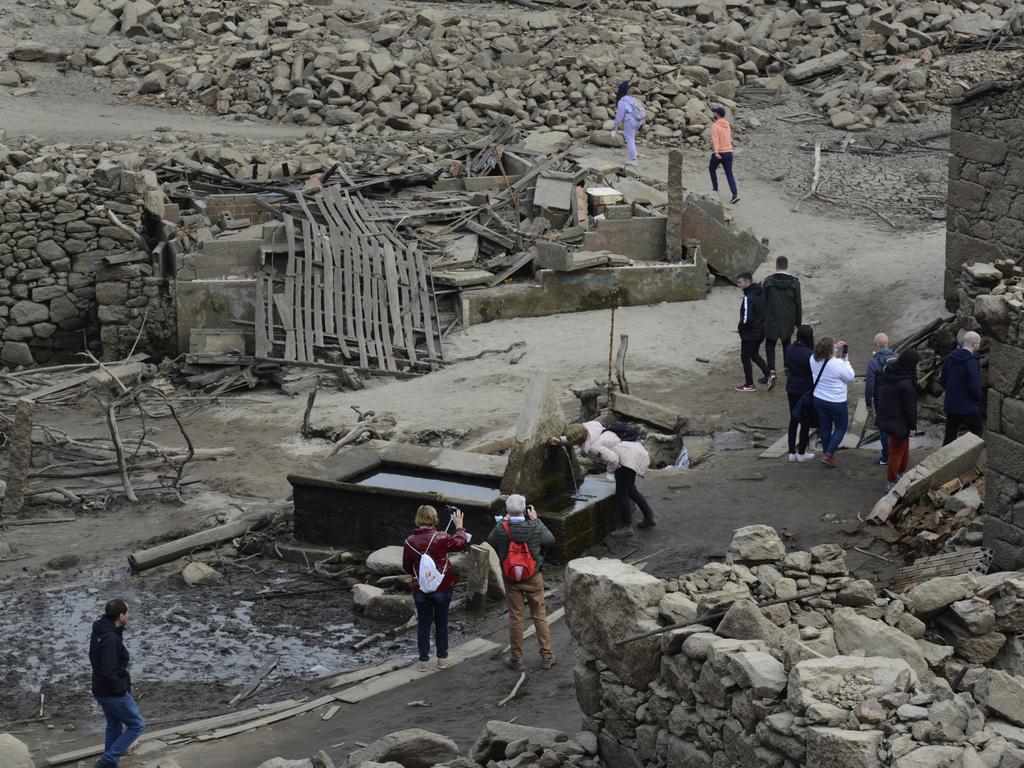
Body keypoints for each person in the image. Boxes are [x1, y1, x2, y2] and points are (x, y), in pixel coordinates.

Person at [487, 495, 556, 671]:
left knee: (516, 617)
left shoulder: (502, 528)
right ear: (525, 508)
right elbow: (550, 540)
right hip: (533, 576)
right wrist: (536, 520)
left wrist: (504, 520)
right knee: (539, 615)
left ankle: (517, 659)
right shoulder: (534, 526)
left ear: (507, 510)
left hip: (511, 579)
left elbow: (491, 541)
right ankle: (547, 656)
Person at [549, 421, 654, 533]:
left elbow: (613, 459)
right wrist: (560, 440)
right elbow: (575, 437)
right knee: (631, 490)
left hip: (625, 461)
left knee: (621, 494)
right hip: (633, 450)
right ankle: (649, 517)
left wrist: (609, 473)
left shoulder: (593, 447)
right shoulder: (590, 427)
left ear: (577, 440)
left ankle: (626, 526)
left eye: (572, 441)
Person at [402, 504, 470, 672]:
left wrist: (421, 576)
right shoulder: (442, 537)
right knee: (441, 622)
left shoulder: (409, 542)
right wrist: (459, 527)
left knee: (423, 624)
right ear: (434, 519)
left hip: (420, 589)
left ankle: (423, 661)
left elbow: (406, 567)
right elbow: (461, 543)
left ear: (418, 519)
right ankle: (442, 659)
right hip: (442, 587)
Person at [90, 599, 145, 768]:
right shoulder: (111, 638)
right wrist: (120, 689)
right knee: (137, 725)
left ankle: (111, 765)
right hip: (112, 692)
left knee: (114, 726)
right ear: (121, 616)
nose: (129, 615)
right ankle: (107, 760)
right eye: (128, 612)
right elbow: (108, 670)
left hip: (100, 689)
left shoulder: (101, 630)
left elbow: (94, 659)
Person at [876, 349, 920, 492]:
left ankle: (900, 474)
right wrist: (913, 426)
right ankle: (891, 481)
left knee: (903, 447)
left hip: (891, 418)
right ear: (910, 364)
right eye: (917, 364)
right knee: (896, 451)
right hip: (899, 421)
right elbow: (910, 408)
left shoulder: (892, 373)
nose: (918, 367)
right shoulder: (906, 384)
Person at [810, 336, 855, 467]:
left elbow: (824, 357)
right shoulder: (837, 363)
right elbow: (850, 376)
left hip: (818, 398)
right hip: (836, 401)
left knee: (825, 427)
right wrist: (846, 360)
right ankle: (829, 454)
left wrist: (834, 347)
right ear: (830, 350)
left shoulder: (812, 359)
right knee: (841, 426)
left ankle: (826, 453)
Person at [762, 256, 802, 387]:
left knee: (770, 344)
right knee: (786, 343)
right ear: (787, 265)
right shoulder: (795, 282)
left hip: (772, 317)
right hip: (788, 318)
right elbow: (798, 303)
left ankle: (771, 372)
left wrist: (762, 319)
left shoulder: (768, 281)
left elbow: (763, 302)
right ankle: (787, 368)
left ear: (776, 265)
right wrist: (798, 322)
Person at [940, 330, 983, 445]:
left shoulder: (950, 358)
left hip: (951, 405)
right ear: (974, 344)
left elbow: (942, 380)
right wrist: (979, 400)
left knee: (950, 433)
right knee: (976, 433)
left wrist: (951, 391)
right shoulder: (972, 362)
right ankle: (970, 459)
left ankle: (945, 460)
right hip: (968, 407)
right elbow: (974, 386)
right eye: (979, 343)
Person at [784, 324, 816, 462]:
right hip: (805, 391)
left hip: (791, 388)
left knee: (793, 419)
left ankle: (791, 452)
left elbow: (787, 367)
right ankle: (802, 452)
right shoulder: (809, 354)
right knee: (805, 421)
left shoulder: (789, 349)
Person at [865, 333, 898, 467]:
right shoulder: (897, 357)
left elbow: (870, 385)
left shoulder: (873, 362)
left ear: (875, 344)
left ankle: (886, 457)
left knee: (883, 428)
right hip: (897, 397)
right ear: (888, 343)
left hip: (882, 398)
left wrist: (868, 402)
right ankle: (897, 455)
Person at [735, 272, 769, 393]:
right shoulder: (760, 294)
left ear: (747, 282)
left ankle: (749, 384)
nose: (739, 285)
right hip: (761, 331)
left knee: (745, 357)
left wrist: (741, 328)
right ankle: (769, 375)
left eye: (740, 282)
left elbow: (746, 318)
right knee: (754, 354)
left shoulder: (748, 298)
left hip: (750, 333)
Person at [709, 106, 739, 204]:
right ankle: (735, 195)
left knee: (711, 169)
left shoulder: (715, 126)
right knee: (729, 174)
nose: (713, 114)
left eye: (714, 112)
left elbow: (715, 140)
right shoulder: (728, 125)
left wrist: (716, 152)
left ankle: (715, 189)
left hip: (720, 153)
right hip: (729, 152)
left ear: (717, 114)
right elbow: (727, 139)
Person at [611, 81, 642, 166]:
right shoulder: (632, 98)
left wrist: (615, 126)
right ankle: (635, 153)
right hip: (638, 120)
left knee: (629, 139)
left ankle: (633, 159)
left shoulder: (622, 101)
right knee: (631, 137)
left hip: (630, 121)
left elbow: (619, 117)